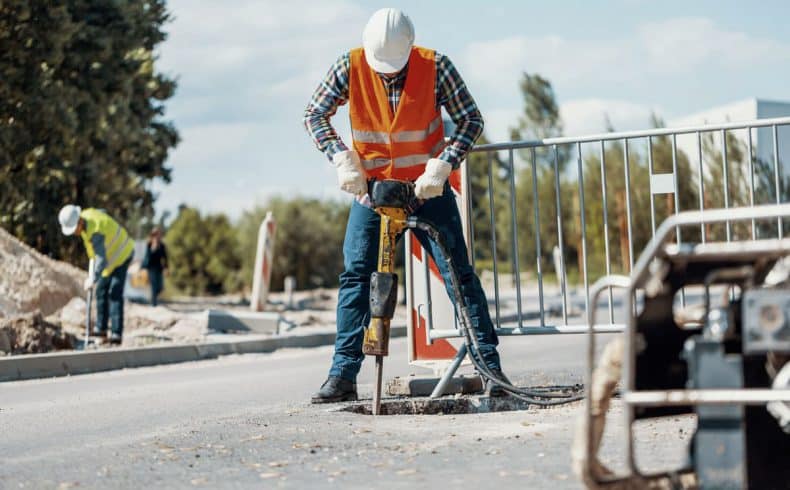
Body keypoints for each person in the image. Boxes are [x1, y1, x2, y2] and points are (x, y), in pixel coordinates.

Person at [303, 8, 507, 403]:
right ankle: (342, 375)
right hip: (373, 192)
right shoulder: (352, 64)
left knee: (458, 276)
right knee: (357, 277)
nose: (385, 74)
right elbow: (315, 114)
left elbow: (470, 120)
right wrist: (341, 157)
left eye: (392, 68)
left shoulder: (436, 66)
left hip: (426, 190)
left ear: (409, 49)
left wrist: (445, 163)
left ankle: (490, 369)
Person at [58, 205, 134, 345]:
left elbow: (101, 258)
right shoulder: (87, 219)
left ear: (79, 222)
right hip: (110, 261)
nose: (74, 232)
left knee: (114, 292)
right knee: (101, 290)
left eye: (74, 229)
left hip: (122, 254)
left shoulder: (95, 230)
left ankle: (116, 334)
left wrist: (93, 277)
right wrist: (93, 272)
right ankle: (101, 330)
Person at [143, 227, 168, 307]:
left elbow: (165, 257)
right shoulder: (149, 244)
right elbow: (147, 256)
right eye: (154, 234)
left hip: (159, 268)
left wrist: (166, 267)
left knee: (160, 287)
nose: (156, 236)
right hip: (151, 268)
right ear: (152, 235)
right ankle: (154, 304)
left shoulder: (162, 245)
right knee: (154, 286)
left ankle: (153, 299)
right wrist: (153, 249)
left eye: (158, 234)